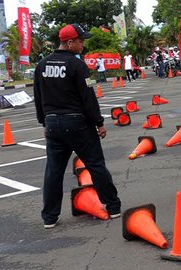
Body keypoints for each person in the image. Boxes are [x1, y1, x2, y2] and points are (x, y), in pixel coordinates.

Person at [33, 23, 121, 229]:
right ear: (69, 42)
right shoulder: (76, 65)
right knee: (96, 165)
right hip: (77, 123)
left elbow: (38, 97)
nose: (83, 44)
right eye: (80, 41)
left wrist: (43, 122)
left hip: (53, 123)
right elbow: (88, 97)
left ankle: (49, 217)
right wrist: (99, 122)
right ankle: (113, 206)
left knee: (53, 171)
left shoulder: (42, 65)